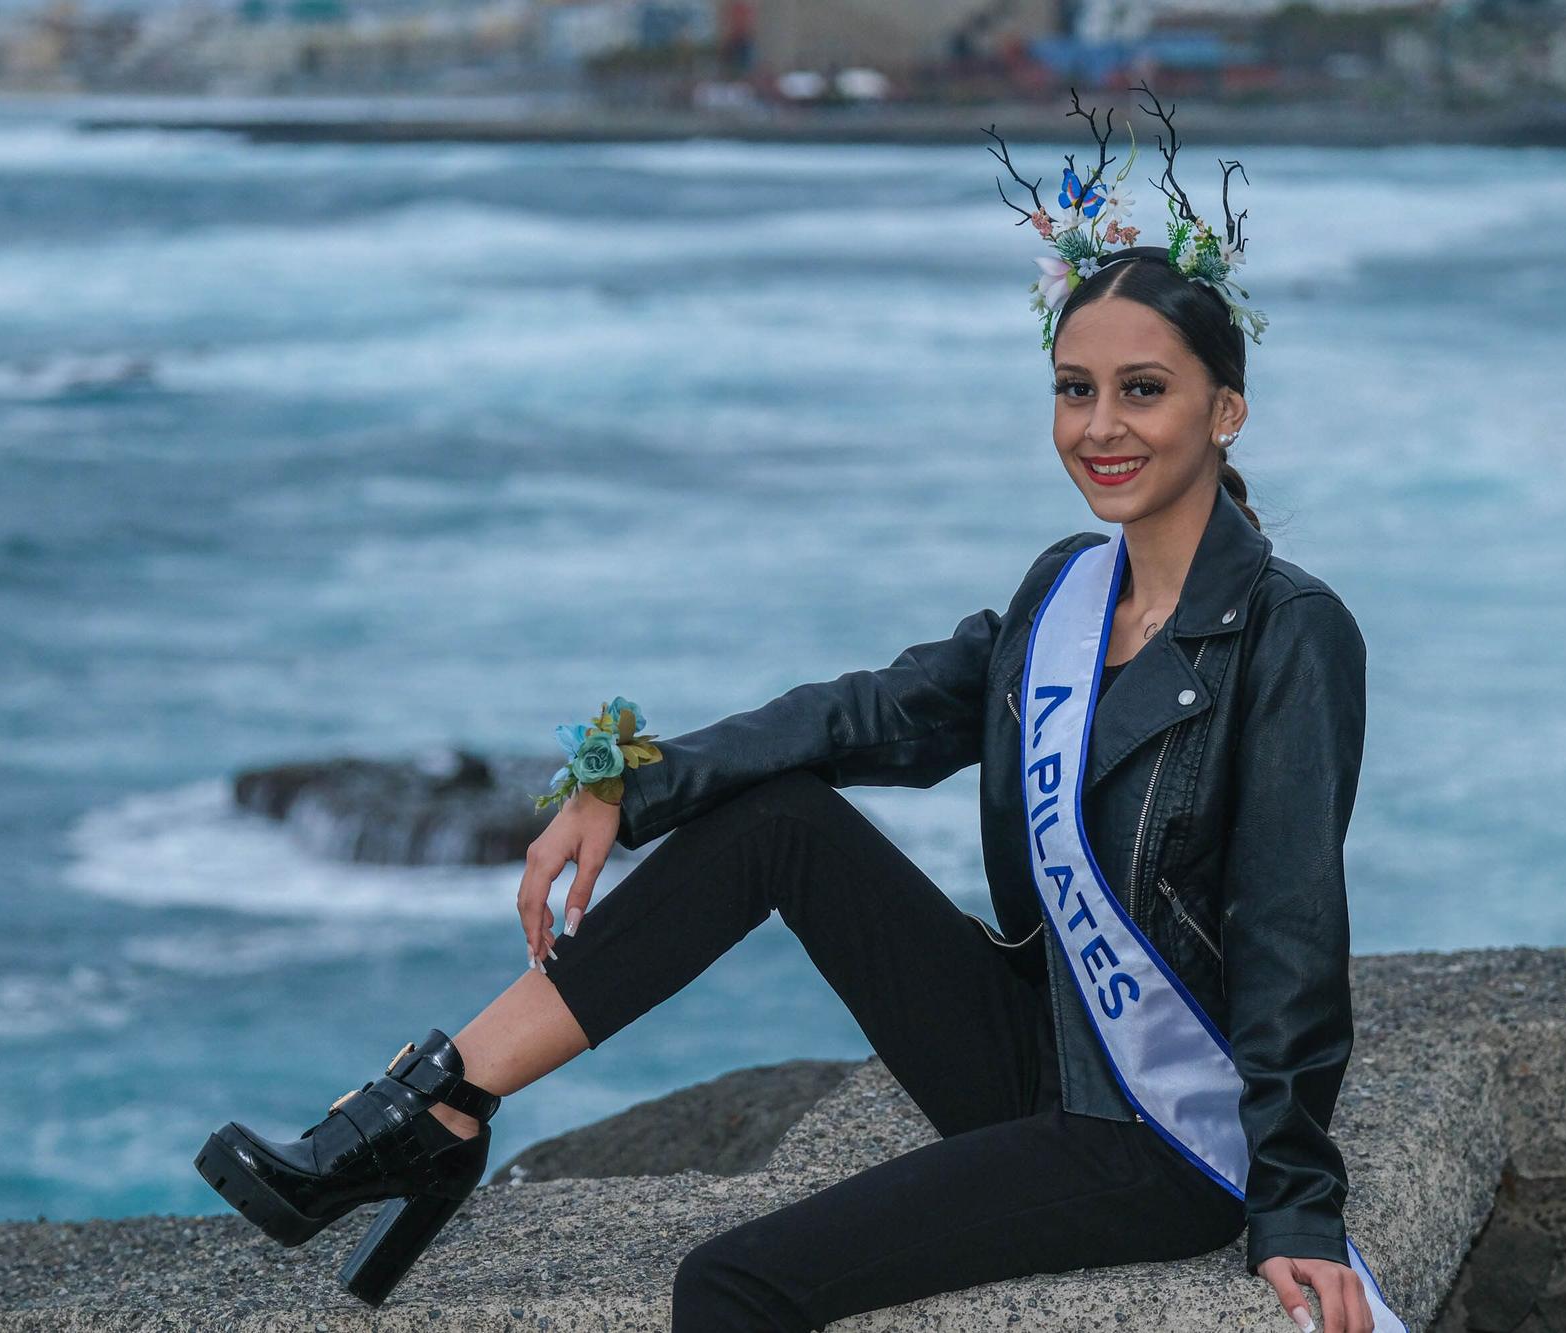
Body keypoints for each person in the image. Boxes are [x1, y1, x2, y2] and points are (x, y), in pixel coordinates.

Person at [196, 90, 1381, 1333]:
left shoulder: (1291, 635)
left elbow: (1293, 931)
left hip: (1156, 1131)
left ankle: (421, 1132)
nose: (1098, 428)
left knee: (731, 1283)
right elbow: (866, 714)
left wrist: (1294, 1210)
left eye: (1141, 390)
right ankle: (439, 1110)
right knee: (780, 820)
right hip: (1032, 1052)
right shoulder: (1064, 593)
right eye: (1072, 390)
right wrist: (624, 787)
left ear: (1223, 410)